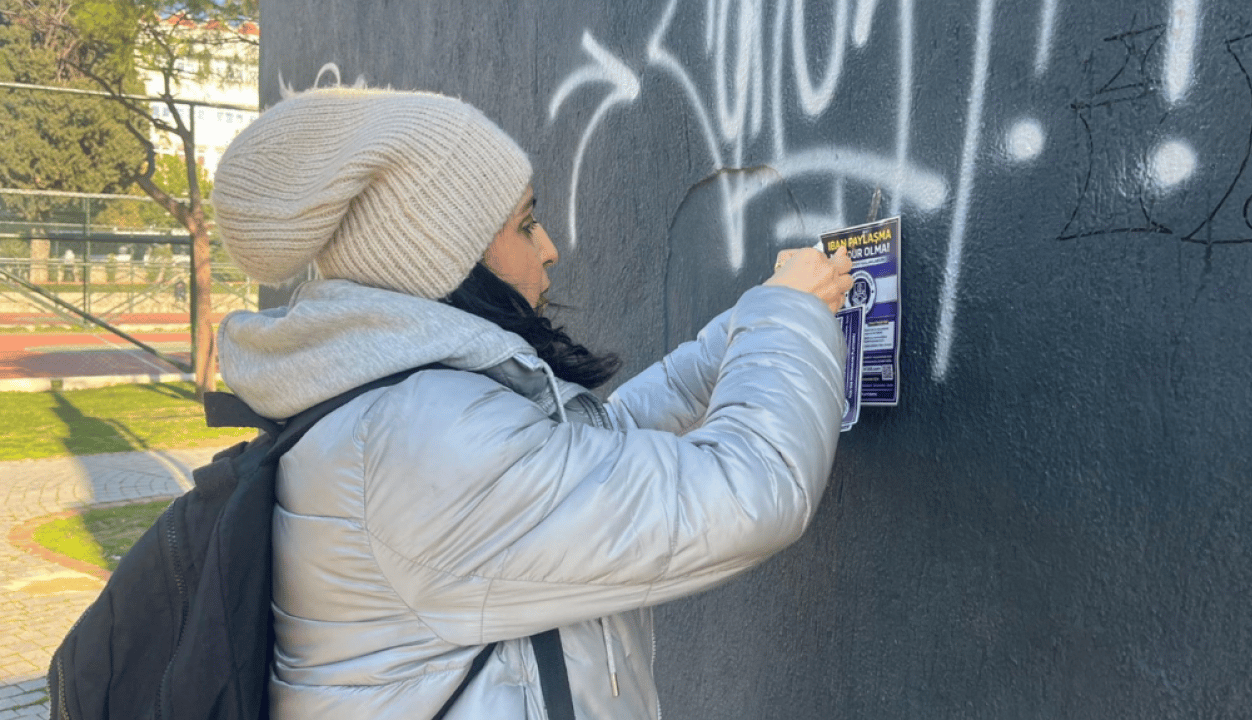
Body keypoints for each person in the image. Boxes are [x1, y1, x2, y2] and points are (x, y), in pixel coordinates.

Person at [211, 86, 853, 720]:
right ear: (446, 263)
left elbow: (585, 462)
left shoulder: (394, 408)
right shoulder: (419, 439)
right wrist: (787, 314)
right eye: (524, 224)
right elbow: (751, 492)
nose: (548, 247)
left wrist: (749, 324)